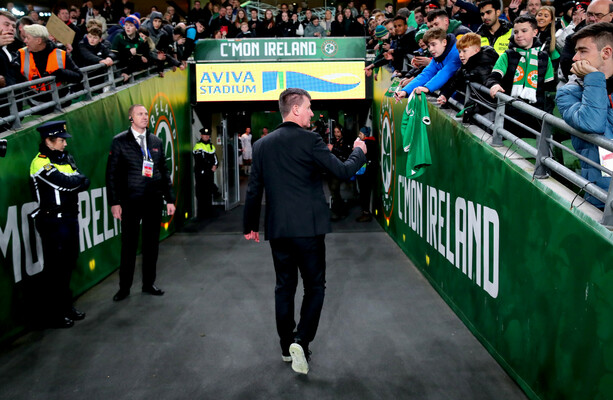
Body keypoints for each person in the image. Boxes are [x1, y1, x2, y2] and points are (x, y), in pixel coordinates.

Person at [243, 88, 367, 375]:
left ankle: (287, 346)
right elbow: (343, 171)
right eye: (309, 108)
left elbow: (253, 191)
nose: (312, 113)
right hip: (309, 230)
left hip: (278, 230)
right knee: (315, 286)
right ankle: (301, 339)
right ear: (296, 109)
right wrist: (359, 152)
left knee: (283, 287)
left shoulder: (262, 145)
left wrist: (250, 225)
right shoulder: (310, 140)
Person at [106, 104, 176, 302]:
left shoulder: (156, 141)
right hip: (130, 201)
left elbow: (163, 171)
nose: (145, 117)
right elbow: (111, 174)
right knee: (129, 245)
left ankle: (148, 284)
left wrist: (169, 199)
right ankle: (124, 288)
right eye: (140, 114)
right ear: (131, 118)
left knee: (151, 244)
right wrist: (115, 202)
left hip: (153, 200)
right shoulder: (119, 141)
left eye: (146, 114)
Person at [30, 121, 90, 328]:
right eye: (61, 140)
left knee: (68, 264)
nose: (65, 143)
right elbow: (67, 184)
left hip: (70, 218)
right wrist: (77, 181)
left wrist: (77, 181)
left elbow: (84, 181)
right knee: (55, 268)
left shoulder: (66, 159)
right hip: (52, 221)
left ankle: (66, 306)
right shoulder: (40, 163)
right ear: (48, 141)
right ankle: (53, 314)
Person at [557, 22, 613, 208]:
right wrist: (594, 77)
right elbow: (592, 123)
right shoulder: (568, 92)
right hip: (602, 194)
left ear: (606, 53)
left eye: (582, 51)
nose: (574, 58)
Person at [394, 27, 462, 99]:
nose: (431, 49)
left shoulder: (456, 53)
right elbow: (427, 74)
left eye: (433, 45)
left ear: (444, 42)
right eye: (429, 46)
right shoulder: (439, 54)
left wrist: (427, 88)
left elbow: (445, 73)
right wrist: (405, 91)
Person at [193, 128, 218, 218]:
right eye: (204, 135)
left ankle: (209, 212)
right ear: (201, 135)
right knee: (201, 193)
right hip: (201, 174)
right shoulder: (198, 146)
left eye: (208, 135)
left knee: (208, 192)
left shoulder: (211, 146)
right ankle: (201, 214)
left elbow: (215, 158)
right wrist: (210, 166)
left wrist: (215, 165)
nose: (206, 136)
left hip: (209, 173)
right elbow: (200, 160)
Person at [356, 126, 377, 222]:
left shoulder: (365, 144)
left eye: (360, 133)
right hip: (369, 172)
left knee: (364, 193)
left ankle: (366, 214)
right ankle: (366, 213)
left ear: (365, 134)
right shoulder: (371, 143)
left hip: (365, 173)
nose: (359, 135)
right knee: (366, 193)